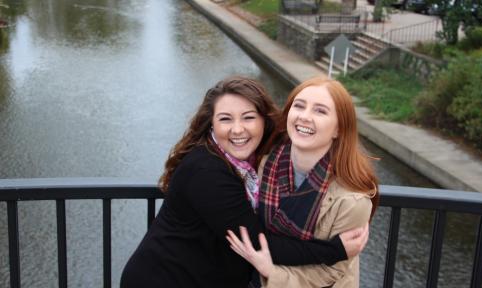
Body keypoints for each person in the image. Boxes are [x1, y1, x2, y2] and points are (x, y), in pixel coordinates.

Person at [120, 76, 369, 288]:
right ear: (212, 124)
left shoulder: (262, 160)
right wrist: (334, 250)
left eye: (248, 117)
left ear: (264, 120)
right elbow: (257, 240)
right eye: (225, 119)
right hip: (166, 279)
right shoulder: (207, 171)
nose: (238, 130)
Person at [227, 76, 379, 288]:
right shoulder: (267, 162)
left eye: (320, 111)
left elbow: (332, 271)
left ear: (338, 129)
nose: (305, 117)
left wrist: (271, 272)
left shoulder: (352, 200)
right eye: (299, 106)